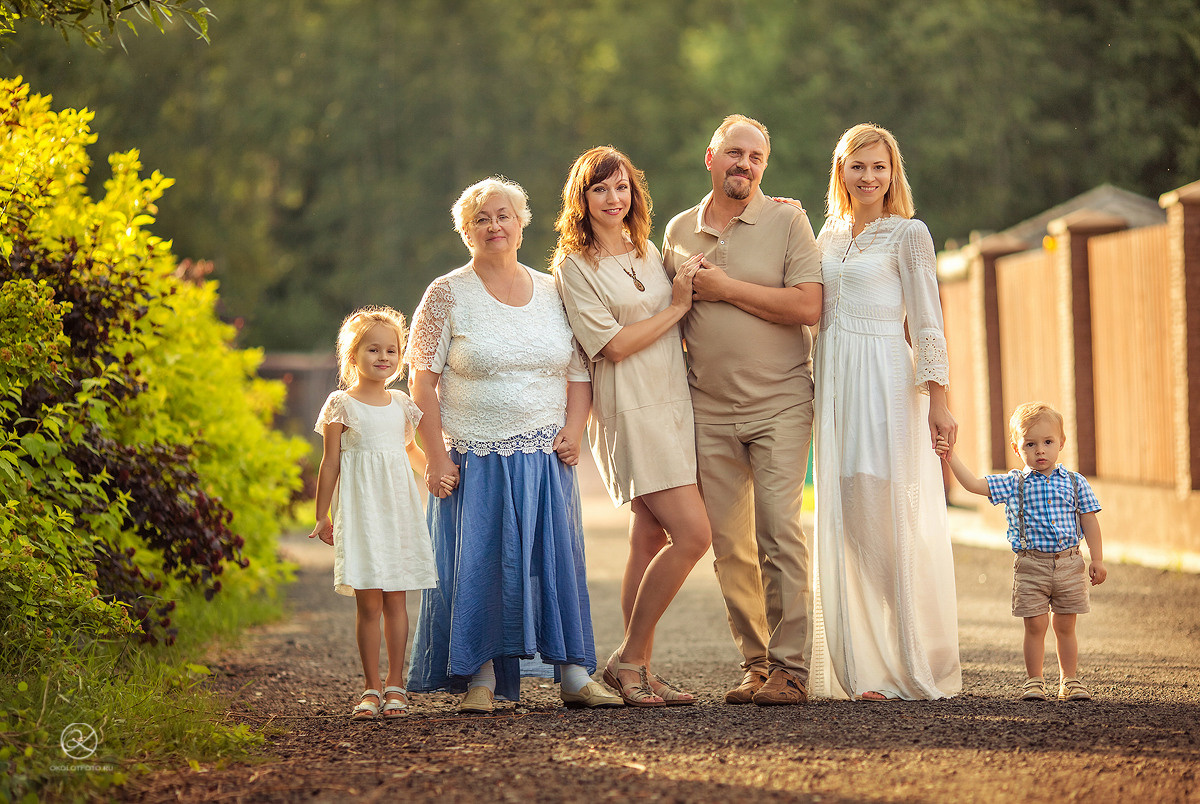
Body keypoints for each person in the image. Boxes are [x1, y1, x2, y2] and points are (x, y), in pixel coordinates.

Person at [405, 176, 623, 712]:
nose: (494, 226)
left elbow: (579, 371)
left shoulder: (553, 290)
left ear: (522, 224)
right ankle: (479, 679)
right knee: (479, 564)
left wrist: (575, 428)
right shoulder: (445, 293)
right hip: (473, 457)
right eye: (481, 219)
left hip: (545, 456)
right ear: (466, 232)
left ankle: (574, 676)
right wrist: (435, 456)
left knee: (556, 565)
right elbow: (421, 380)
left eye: (504, 216)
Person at [661, 114, 823, 706]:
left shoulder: (788, 220)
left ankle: (791, 669)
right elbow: (670, 313)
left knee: (778, 530)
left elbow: (808, 306)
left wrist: (726, 288)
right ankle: (757, 665)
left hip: (781, 401)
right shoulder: (678, 231)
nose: (745, 165)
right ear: (711, 157)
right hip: (708, 408)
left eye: (756, 157)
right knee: (730, 546)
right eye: (735, 153)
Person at [552, 146, 712, 707]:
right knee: (694, 536)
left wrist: (776, 205)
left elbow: (714, 237)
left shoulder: (648, 251)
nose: (613, 198)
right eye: (600, 189)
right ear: (582, 199)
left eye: (621, 187)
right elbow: (614, 346)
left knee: (649, 537)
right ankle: (630, 659)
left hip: (674, 402)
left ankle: (638, 666)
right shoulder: (574, 266)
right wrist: (677, 308)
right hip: (630, 408)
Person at [808, 123, 961, 702]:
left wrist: (939, 402)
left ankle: (906, 655)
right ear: (841, 171)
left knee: (882, 514)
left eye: (879, 167)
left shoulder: (909, 234)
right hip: (836, 383)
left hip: (884, 384)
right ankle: (863, 663)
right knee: (848, 518)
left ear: (893, 173)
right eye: (858, 166)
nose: (869, 177)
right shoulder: (826, 234)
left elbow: (927, 323)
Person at [311, 306, 450, 721]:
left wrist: (438, 475)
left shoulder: (402, 404)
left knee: (397, 603)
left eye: (391, 350)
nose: (383, 357)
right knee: (369, 604)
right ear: (353, 355)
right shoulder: (341, 405)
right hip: (362, 516)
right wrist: (322, 515)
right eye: (373, 349)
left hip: (398, 514)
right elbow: (330, 463)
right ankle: (370, 687)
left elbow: (410, 450)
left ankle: (396, 684)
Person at [939, 402, 1106, 701]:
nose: (1040, 450)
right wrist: (951, 457)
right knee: (1036, 625)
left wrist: (1098, 559)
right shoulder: (1013, 483)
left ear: (1061, 443)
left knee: (1065, 625)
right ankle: (1035, 681)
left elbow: (1089, 521)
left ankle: (1069, 680)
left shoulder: (1075, 482)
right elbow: (974, 485)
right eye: (1030, 444)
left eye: (1048, 442)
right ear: (1017, 449)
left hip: (1069, 563)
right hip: (1031, 566)